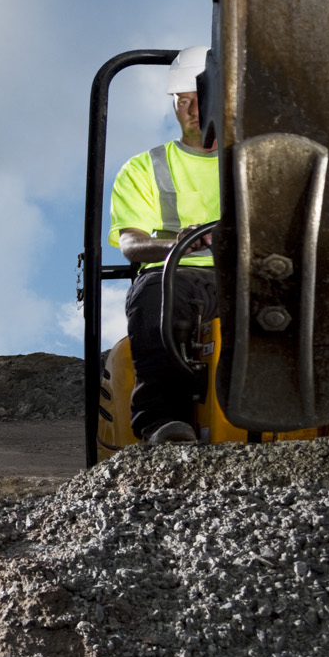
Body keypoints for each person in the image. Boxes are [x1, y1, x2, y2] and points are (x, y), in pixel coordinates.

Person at [108, 46, 219, 444]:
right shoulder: (143, 168)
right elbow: (133, 244)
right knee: (157, 294)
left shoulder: (257, 162)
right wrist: (181, 244)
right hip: (176, 276)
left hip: (250, 272)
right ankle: (164, 422)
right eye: (183, 101)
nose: (192, 110)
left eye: (200, 100)